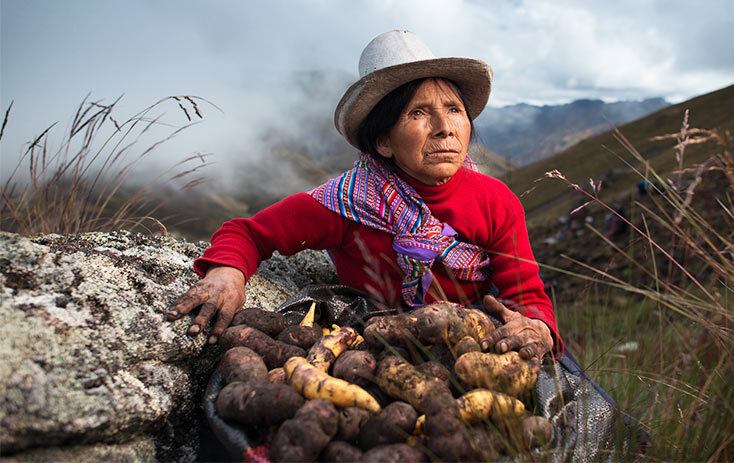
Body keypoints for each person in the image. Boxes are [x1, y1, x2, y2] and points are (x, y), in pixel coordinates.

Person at [167, 30, 563, 362]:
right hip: (368, 350)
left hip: (472, 346)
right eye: (418, 113)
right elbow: (249, 233)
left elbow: (525, 294)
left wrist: (537, 327)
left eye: (455, 109)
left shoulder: (496, 201)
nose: (445, 128)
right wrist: (227, 274)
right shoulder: (346, 204)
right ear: (383, 141)